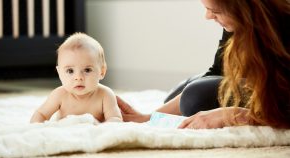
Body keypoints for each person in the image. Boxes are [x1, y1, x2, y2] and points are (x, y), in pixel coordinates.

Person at [117, 0, 290, 129]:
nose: (207, 16)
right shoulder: (237, 23)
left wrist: (235, 114)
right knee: (181, 94)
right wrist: (148, 118)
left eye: (214, 10)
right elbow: (218, 71)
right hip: (252, 81)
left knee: (194, 97)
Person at [30, 33, 123, 123]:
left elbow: (115, 118)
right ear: (59, 73)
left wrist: (106, 126)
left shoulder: (105, 95)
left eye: (87, 70)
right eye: (70, 71)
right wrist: (36, 127)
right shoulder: (59, 95)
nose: (78, 78)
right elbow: (41, 114)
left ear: (102, 72)